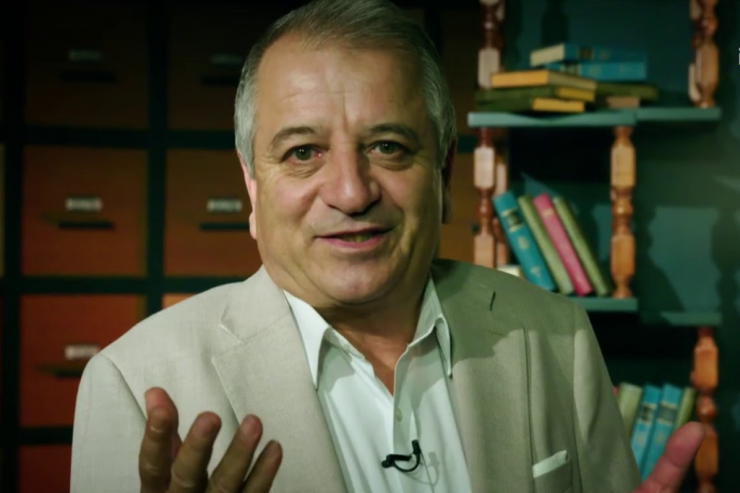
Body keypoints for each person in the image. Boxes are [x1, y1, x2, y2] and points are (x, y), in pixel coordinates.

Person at [70, 0, 705, 491]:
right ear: (253, 189)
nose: (351, 192)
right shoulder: (133, 384)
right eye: (303, 152)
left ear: (445, 175)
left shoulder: (557, 337)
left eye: (388, 147)